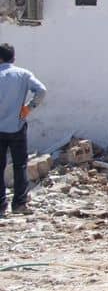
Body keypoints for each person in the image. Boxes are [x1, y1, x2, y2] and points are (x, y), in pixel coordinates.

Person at [0, 43, 46, 217]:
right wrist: (28, 107)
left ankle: (0, 207)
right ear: (13, 57)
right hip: (17, 127)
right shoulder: (23, 74)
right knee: (20, 165)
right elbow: (41, 90)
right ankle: (19, 204)